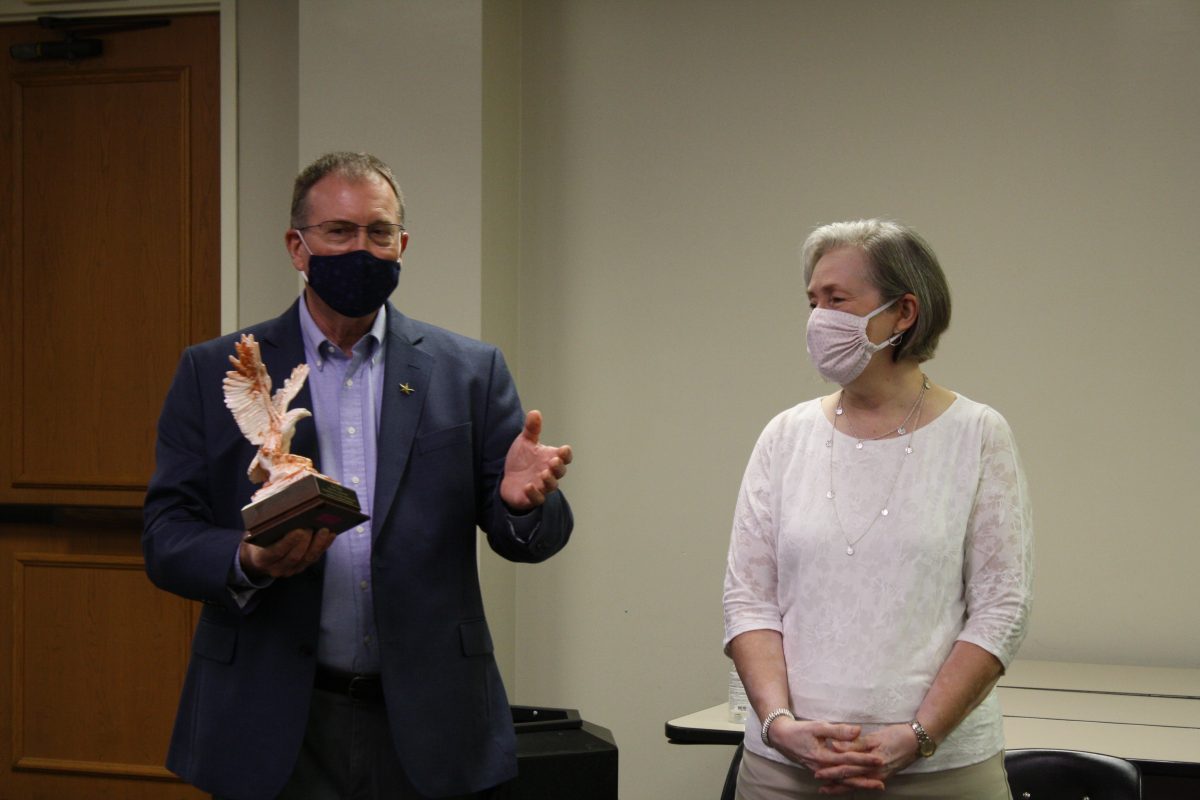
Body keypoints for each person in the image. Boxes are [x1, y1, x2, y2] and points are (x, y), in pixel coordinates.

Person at [143, 152, 574, 800]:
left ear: (402, 244)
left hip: (428, 721)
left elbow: (531, 535)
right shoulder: (217, 370)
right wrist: (249, 559)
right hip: (271, 717)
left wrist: (520, 504)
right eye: (339, 233)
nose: (362, 250)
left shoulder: (469, 372)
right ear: (298, 246)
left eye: (379, 233)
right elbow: (165, 536)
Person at [722, 219, 1032, 798]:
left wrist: (916, 736)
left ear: (904, 312)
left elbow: (1001, 608)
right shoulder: (784, 437)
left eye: (837, 300)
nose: (818, 319)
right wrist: (780, 725)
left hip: (939, 770)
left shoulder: (978, 435)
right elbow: (748, 599)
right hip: (786, 770)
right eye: (812, 301)